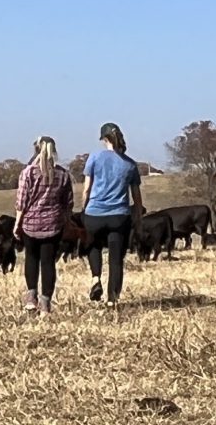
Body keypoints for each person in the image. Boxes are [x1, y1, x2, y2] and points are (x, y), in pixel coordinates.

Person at [82, 122, 142, 308]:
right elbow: (137, 197)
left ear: (104, 139)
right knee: (116, 260)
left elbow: (86, 189)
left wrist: (84, 210)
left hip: (94, 213)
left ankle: (95, 278)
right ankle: (112, 300)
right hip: (119, 215)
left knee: (93, 247)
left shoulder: (94, 158)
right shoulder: (130, 164)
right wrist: (137, 216)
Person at [14, 136, 74, 315]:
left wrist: (17, 223)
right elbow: (68, 203)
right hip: (53, 225)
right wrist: (66, 221)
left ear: (36, 150)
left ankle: (31, 298)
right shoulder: (63, 174)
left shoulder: (28, 173)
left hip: (30, 224)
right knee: (48, 263)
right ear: (54, 151)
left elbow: (21, 202)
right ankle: (46, 303)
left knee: (31, 259)